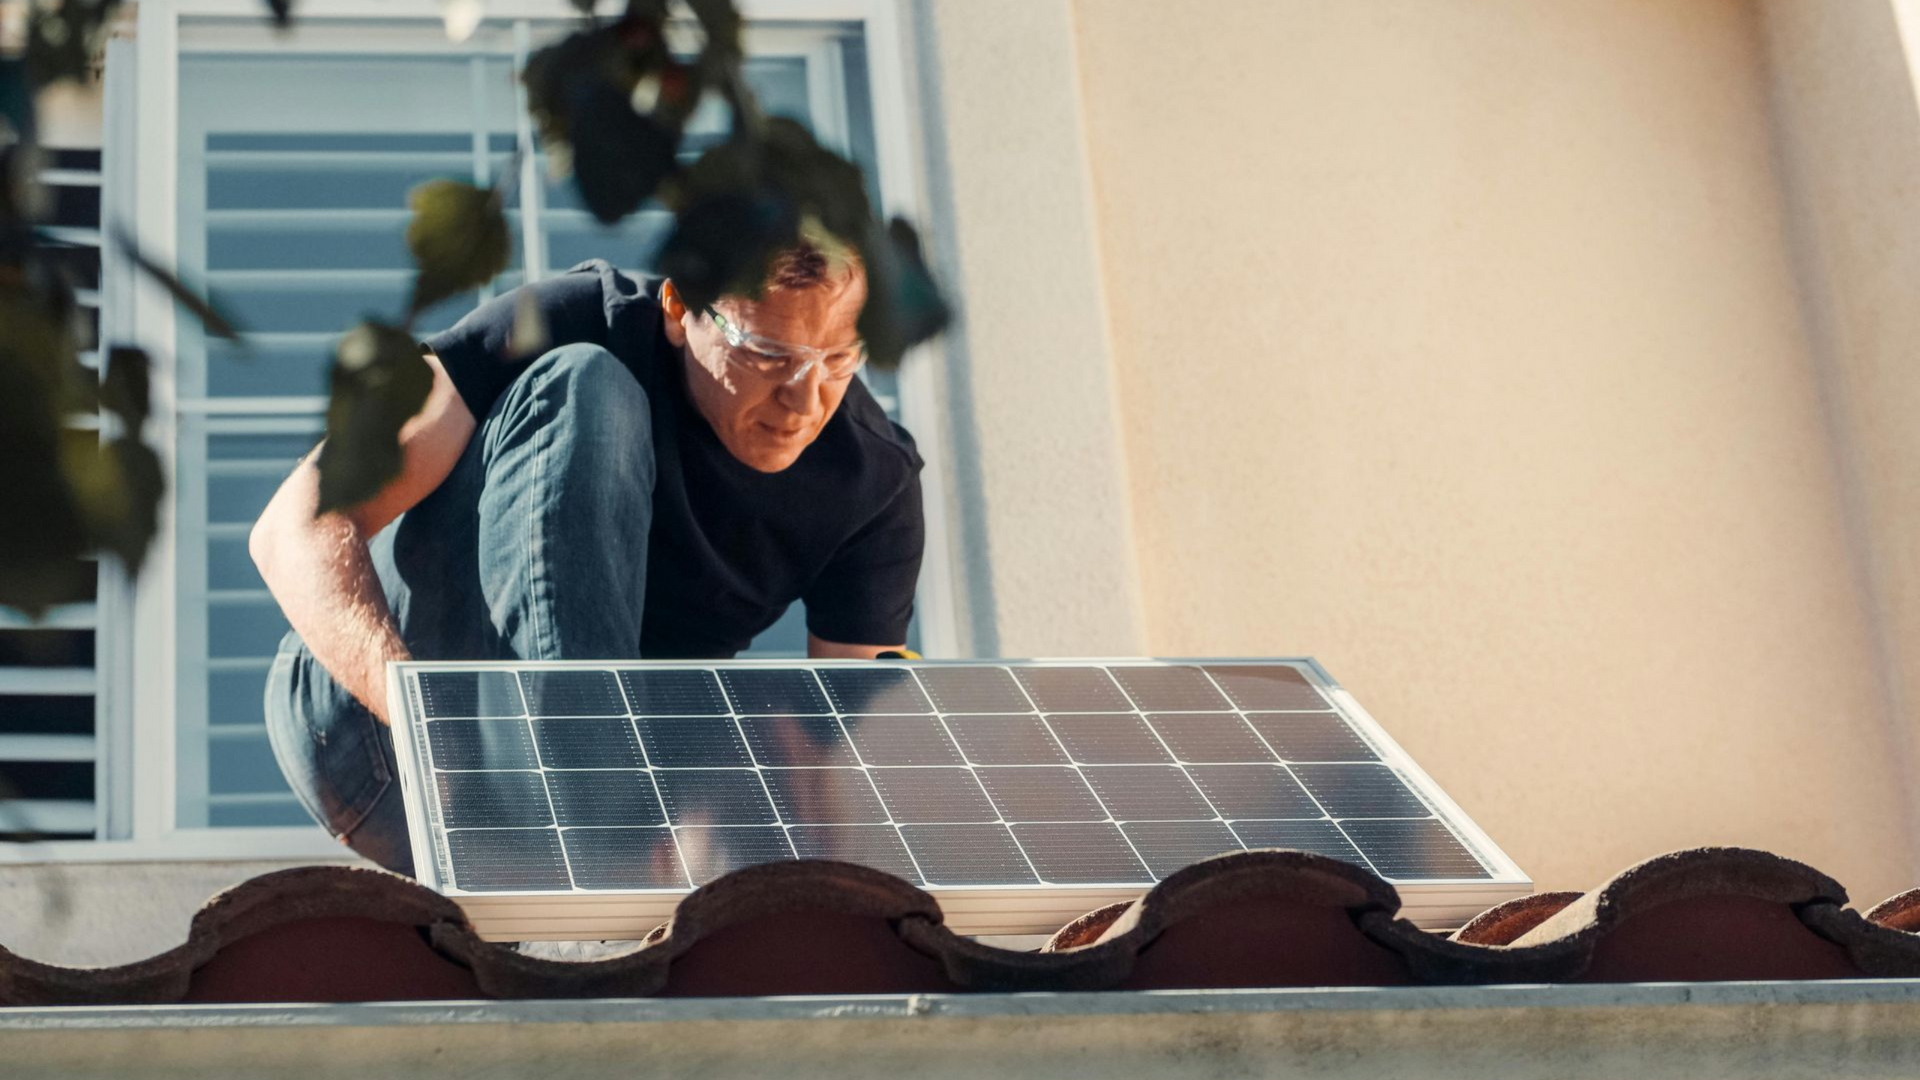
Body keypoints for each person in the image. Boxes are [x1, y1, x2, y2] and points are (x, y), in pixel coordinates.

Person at [252, 246, 924, 876]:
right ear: (677, 311)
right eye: (768, 355)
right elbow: (293, 525)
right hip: (379, 746)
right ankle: (586, 845)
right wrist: (418, 720)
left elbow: (834, 744)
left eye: (837, 361)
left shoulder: (871, 481)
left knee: (770, 719)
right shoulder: (571, 317)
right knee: (586, 384)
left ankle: (594, 855)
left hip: (586, 808)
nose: (804, 402)